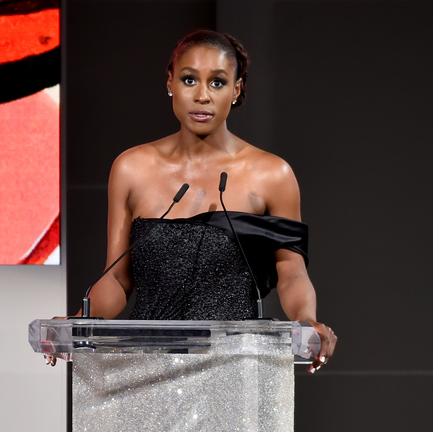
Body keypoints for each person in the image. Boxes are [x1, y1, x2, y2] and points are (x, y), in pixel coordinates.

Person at [48, 29, 336, 373]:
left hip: (235, 370)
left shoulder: (272, 175)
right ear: (170, 82)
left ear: (236, 89)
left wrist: (307, 321)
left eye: (217, 83)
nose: (202, 96)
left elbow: (291, 273)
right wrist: (77, 324)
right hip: (146, 369)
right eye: (189, 80)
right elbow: (117, 279)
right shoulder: (132, 169)